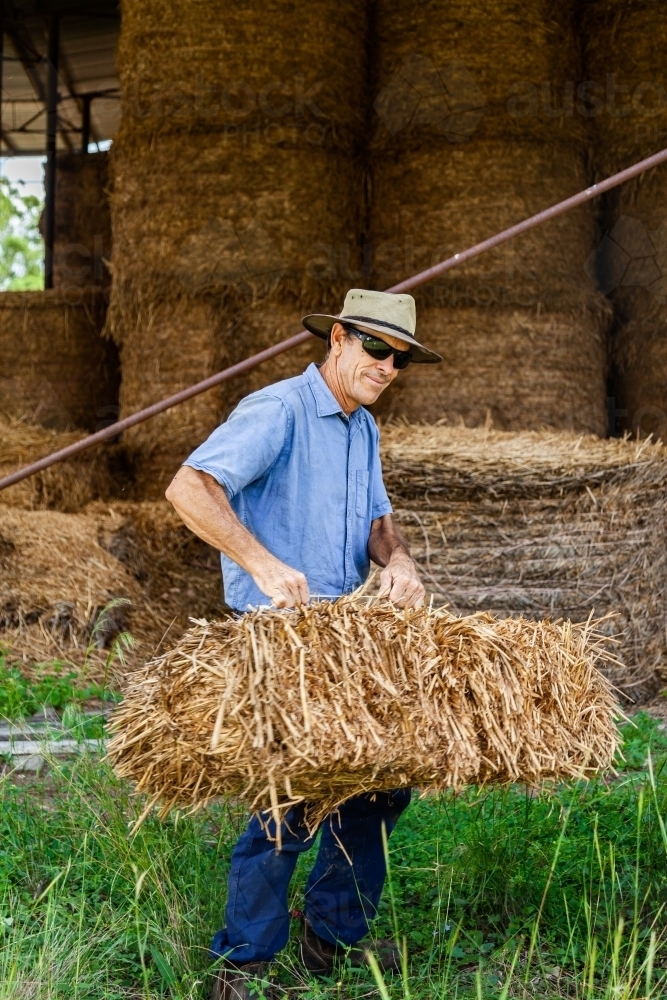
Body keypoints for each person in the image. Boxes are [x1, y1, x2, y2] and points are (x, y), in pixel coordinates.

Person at [166, 288, 442, 1000]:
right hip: (278, 638)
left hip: (348, 636)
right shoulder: (278, 410)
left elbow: (378, 521)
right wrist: (260, 562)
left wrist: (400, 562)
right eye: (376, 348)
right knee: (287, 800)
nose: (386, 366)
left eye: (399, 358)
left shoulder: (362, 427)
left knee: (380, 784)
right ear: (339, 338)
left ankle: (331, 940)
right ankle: (246, 964)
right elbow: (188, 487)